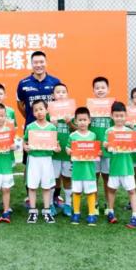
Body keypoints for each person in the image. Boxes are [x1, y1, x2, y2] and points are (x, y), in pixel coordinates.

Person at [104, 102, 136, 229]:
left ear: (126, 116)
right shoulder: (109, 131)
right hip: (114, 167)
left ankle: (135, 215)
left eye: (121, 116)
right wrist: (106, 146)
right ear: (111, 116)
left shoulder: (130, 132)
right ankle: (110, 211)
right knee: (111, 189)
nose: (119, 118)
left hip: (127, 168)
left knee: (131, 191)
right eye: (116, 116)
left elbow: (135, 149)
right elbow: (107, 151)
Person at [23, 99, 60, 224]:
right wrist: (25, 147)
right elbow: (25, 141)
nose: (39, 112)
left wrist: (57, 148)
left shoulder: (52, 127)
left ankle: (47, 211)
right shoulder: (30, 127)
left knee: (46, 187)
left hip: (47, 160)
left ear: (46, 110)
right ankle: (33, 211)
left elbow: (56, 145)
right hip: (33, 159)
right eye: (36, 110)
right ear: (33, 113)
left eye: (41, 109)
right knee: (32, 186)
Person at [66, 107, 99, 225]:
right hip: (77, 170)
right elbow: (67, 147)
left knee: (90, 192)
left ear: (89, 120)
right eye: (80, 120)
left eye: (85, 120)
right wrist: (68, 151)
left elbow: (96, 150)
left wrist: (98, 152)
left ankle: (91, 214)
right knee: (76, 192)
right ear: (75, 121)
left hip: (89, 171)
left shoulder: (93, 135)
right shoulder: (73, 136)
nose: (82, 122)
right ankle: (76, 213)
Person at [16, 51, 61, 128]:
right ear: (31, 64)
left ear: (46, 63)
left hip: (51, 128)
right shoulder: (23, 83)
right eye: (35, 62)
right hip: (31, 127)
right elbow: (20, 105)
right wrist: (30, 116)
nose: (39, 65)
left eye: (41, 62)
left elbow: (60, 103)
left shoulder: (55, 82)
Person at [89, 76, 113, 215]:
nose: (100, 90)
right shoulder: (89, 107)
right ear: (93, 90)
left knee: (107, 177)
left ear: (108, 89)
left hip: (108, 148)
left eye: (103, 87)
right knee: (94, 177)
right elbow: (83, 125)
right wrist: (90, 118)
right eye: (97, 88)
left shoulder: (112, 107)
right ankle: (95, 203)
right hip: (93, 148)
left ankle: (109, 205)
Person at [50, 83, 74, 217]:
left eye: (63, 92)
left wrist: (69, 122)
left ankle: (68, 204)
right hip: (54, 154)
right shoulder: (49, 112)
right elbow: (43, 132)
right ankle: (51, 204)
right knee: (53, 179)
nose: (61, 94)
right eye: (58, 92)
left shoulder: (72, 112)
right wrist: (51, 125)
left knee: (67, 179)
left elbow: (77, 131)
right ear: (53, 95)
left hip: (68, 153)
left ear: (67, 94)